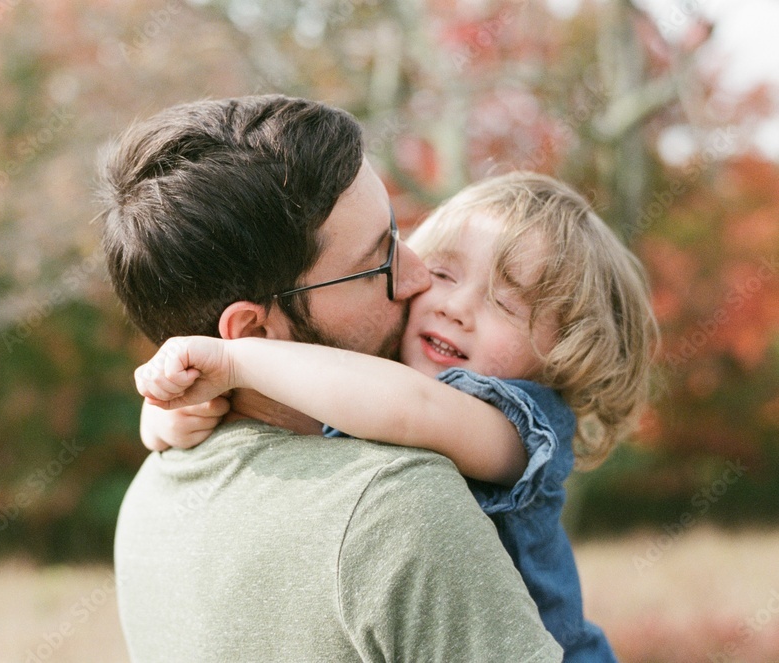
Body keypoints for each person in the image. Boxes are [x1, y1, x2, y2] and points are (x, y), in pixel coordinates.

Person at [102, 95, 562, 661]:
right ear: (252, 335)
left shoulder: (148, 500)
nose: (419, 276)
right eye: (377, 264)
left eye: (398, 230)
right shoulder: (396, 505)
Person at [136, 171, 660, 661]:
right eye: (442, 273)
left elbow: (414, 409)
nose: (456, 306)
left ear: (565, 356)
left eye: (506, 304)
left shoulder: (520, 426)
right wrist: (174, 411)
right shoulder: (374, 383)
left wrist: (237, 361)